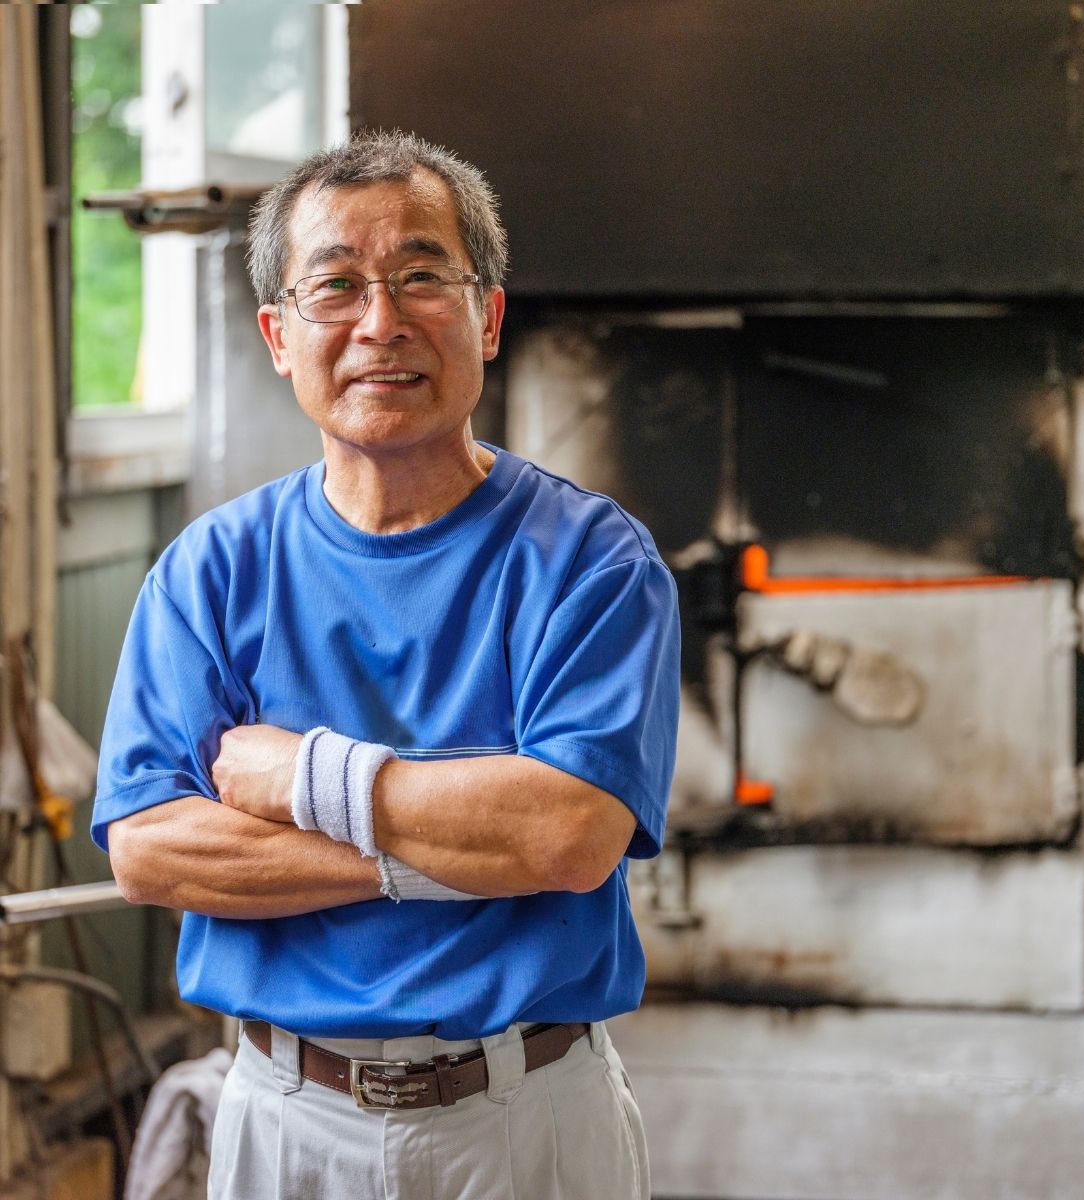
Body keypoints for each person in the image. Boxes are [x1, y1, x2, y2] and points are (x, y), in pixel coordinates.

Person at [93, 130, 680, 1200]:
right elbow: (151, 852)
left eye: (421, 277)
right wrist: (446, 848)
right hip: (283, 1120)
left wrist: (298, 783)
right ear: (278, 335)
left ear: (488, 317)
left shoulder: (594, 560)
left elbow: (568, 832)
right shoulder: (210, 571)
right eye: (336, 288)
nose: (380, 324)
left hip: (529, 1121)